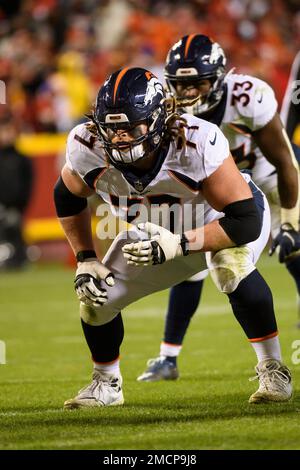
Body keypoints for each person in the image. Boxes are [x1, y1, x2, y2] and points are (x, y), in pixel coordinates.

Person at [54, 67, 292, 409]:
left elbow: (246, 221)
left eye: (130, 127)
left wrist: (179, 244)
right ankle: (107, 383)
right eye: (112, 129)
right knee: (95, 297)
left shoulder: (195, 141)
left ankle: (272, 367)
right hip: (154, 235)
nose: (120, 138)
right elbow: (67, 196)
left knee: (230, 266)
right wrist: (85, 258)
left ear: (158, 120)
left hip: (218, 222)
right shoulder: (86, 146)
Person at [137, 34, 300, 383]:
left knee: (294, 249)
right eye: (180, 85)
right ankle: (168, 358)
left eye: (197, 83)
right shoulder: (164, 111)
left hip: (264, 178)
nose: (188, 93)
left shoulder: (247, 97)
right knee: (192, 257)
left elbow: (285, 161)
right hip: (215, 188)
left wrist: (289, 220)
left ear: (219, 77)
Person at [0, 112, 33, 269]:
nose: (7, 135)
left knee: (15, 232)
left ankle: (19, 261)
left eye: (10, 131)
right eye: (4, 131)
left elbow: (27, 184)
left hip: (16, 207)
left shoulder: (22, 159)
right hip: (1, 206)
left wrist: (21, 205)